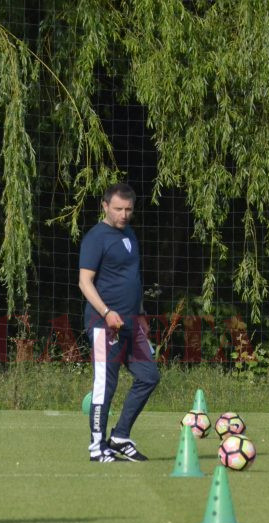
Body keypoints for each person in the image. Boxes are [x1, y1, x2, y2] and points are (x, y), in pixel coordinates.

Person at [78, 183, 160, 462]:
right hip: (104, 324)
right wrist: (106, 311)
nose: (124, 214)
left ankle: (120, 436)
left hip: (131, 324)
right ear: (104, 206)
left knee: (149, 377)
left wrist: (141, 314)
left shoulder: (129, 235)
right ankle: (96, 447)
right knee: (106, 385)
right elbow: (84, 282)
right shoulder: (96, 238)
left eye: (128, 209)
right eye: (118, 209)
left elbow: (132, 279)